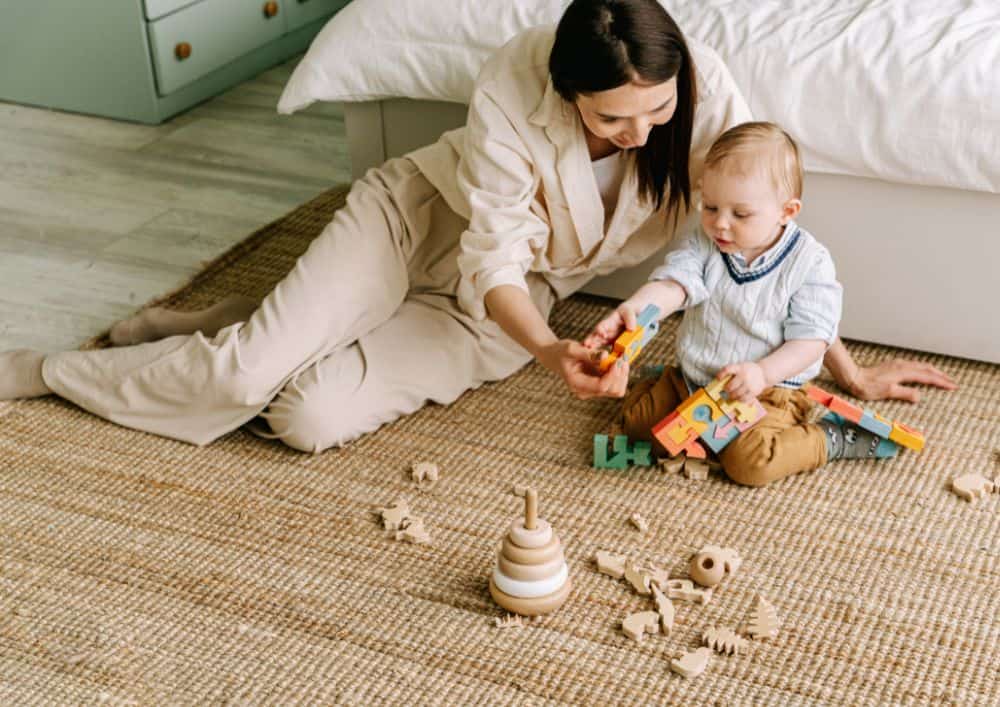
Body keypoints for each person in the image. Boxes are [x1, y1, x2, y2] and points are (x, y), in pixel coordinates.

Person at [0, 0, 954, 454]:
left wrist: (848, 371)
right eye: (613, 118)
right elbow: (492, 247)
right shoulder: (512, 78)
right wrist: (549, 352)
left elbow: (746, 256)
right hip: (421, 228)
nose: (642, 132)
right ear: (566, 87)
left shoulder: (698, 95)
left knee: (303, 416)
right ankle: (46, 372)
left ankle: (219, 325)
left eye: (654, 110)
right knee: (248, 373)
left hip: (509, 300)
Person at [589, 121, 922, 487]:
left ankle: (828, 439)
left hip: (769, 390)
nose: (721, 224)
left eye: (740, 214)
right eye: (710, 206)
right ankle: (659, 385)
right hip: (694, 379)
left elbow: (812, 341)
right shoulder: (704, 241)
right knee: (638, 426)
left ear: (787, 211)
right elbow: (675, 284)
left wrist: (763, 373)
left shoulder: (809, 263)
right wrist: (635, 308)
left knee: (751, 464)